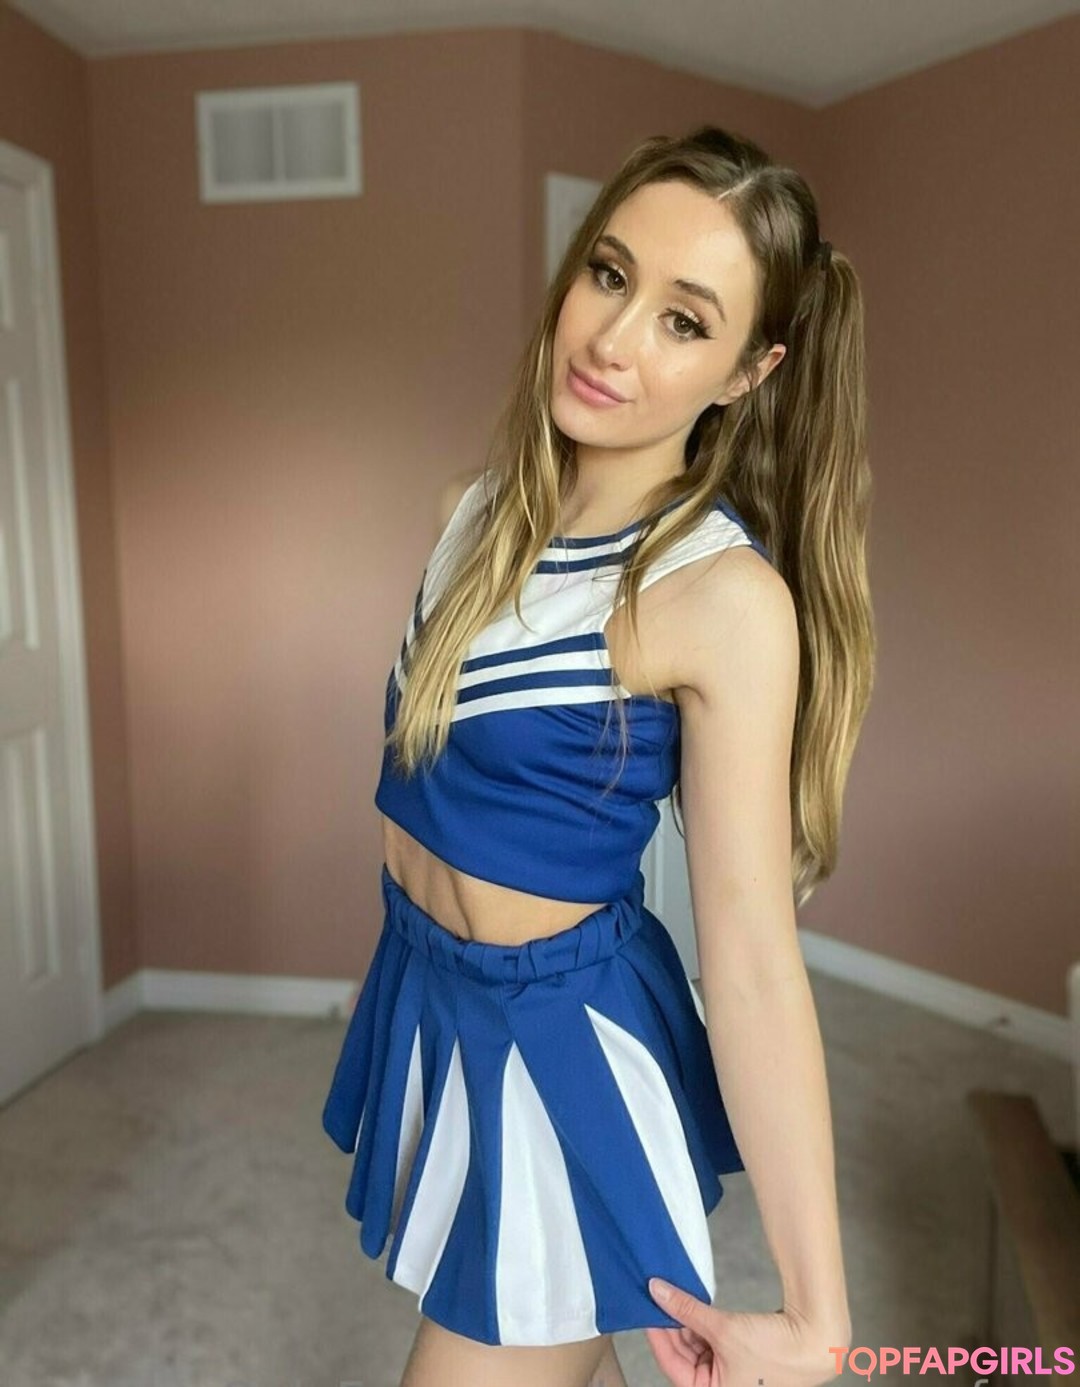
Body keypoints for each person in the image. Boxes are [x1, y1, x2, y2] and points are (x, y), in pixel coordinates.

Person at [321, 124, 874, 1387]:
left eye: (685, 321)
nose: (614, 339)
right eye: (610, 275)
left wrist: (819, 1314)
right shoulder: (471, 511)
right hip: (436, 1002)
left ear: (749, 371)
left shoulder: (720, 598)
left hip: (556, 1053)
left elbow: (752, 959)